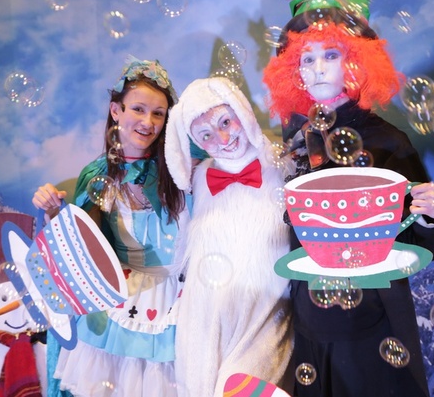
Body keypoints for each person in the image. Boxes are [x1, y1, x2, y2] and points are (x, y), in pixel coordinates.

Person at [261, 0, 434, 396]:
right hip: (308, 324)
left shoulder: (387, 141)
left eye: (331, 55)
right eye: (307, 58)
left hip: (373, 325)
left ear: (355, 61)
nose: (317, 68)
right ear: (293, 70)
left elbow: (425, 241)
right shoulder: (294, 146)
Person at [32, 56, 190, 397]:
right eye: (138, 109)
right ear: (116, 111)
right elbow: (83, 252)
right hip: (120, 302)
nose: (148, 122)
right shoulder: (97, 174)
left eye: (158, 113)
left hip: (179, 301)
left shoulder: (181, 171)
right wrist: (54, 213)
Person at [164, 77, 294, 397]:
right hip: (205, 314)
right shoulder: (200, 177)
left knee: (248, 386)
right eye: (206, 135)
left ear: (242, 111)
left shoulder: (283, 163)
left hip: (266, 309)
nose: (223, 139)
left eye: (225, 122)